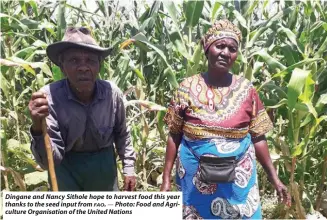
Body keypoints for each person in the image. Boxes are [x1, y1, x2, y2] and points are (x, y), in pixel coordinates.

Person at [160, 20, 291, 219]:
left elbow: (258, 137)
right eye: (220, 46)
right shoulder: (186, 88)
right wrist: (166, 179)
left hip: (238, 184)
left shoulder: (247, 90)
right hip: (194, 183)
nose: (225, 53)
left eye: (232, 48)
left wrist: (275, 179)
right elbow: (174, 134)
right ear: (207, 48)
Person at [28, 27, 136, 191]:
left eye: (91, 61)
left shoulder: (111, 94)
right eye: (74, 61)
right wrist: (37, 126)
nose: (83, 68)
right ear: (62, 67)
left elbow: (122, 133)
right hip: (66, 171)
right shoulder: (49, 98)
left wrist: (129, 168)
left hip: (103, 170)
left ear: (99, 66)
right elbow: (48, 162)